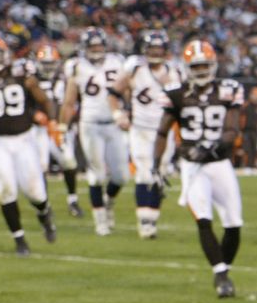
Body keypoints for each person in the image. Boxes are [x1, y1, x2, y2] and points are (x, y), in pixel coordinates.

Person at [153, 40, 244, 298]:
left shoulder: (228, 90)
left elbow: (231, 130)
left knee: (234, 224)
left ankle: (222, 269)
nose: (202, 70)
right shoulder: (176, 94)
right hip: (192, 167)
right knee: (203, 219)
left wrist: (210, 149)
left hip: (219, 164)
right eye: (197, 66)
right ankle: (221, 275)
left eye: (205, 65)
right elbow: (162, 132)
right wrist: (156, 164)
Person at [0, 35, 58, 256]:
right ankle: (19, 239)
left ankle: (44, 213)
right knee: (6, 190)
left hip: (24, 139)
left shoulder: (22, 75)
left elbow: (44, 100)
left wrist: (51, 121)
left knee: (35, 192)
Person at [108, 28, 182, 239]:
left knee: (160, 173)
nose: (155, 52)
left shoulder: (174, 72)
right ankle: (144, 223)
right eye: (152, 48)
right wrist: (117, 114)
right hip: (140, 128)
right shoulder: (134, 69)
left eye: (159, 48)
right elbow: (113, 93)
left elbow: (181, 102)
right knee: (143, 172)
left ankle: (152, 220)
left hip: (163, 130)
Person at [60, 27, 129, 235]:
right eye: (93, 46)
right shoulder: (77, 66)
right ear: (85, 48)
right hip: (90, 124)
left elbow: (128, 88)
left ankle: (107, 202)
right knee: (96, 174)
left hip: (113, 123)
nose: (97, 49)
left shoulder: (117, 62)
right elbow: (70, 100)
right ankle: (100, 220)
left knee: (121, 176)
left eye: (100, 45)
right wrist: (63, 124)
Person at [33, 42, 82, 217]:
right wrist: (36, 115)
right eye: (45, 64)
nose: (48, 68)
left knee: (69, 162)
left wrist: (65, 123)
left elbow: (72, 104)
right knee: (41, 165)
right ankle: (45, 205)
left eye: (51, 64)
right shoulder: (32, 80)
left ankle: (73, 199)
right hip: (39, 129)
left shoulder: (65, 80)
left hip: (60, 128)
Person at [239, 84, 257, 170]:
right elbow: (240, 118)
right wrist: (240, 129)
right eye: (255, 94)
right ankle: (247, 166)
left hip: (256, 130)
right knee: (247, 148)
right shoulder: (246, 105)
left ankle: (253, 165)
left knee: (254, 148)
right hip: (246, 130)